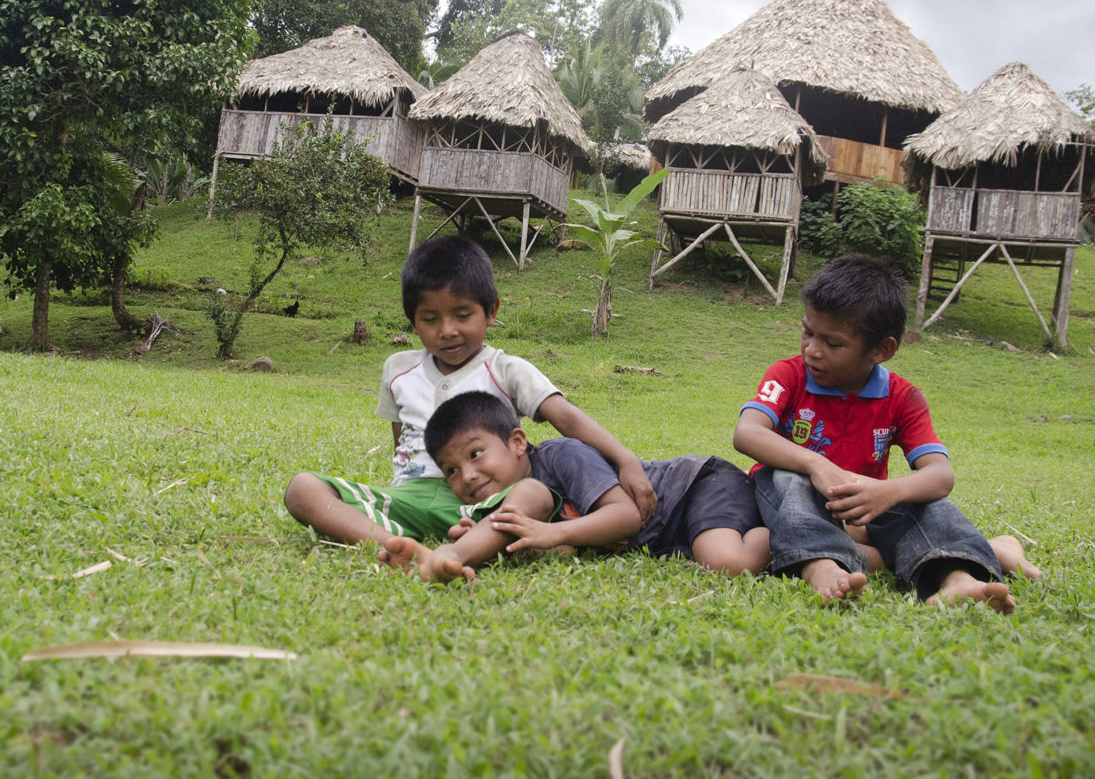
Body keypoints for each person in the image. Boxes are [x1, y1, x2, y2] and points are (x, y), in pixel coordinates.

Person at [284, 235, 656, 550]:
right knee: (303, 489)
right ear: (412, 320)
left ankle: (466, 545)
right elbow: (403, 443)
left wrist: (626, 461)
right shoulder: (397, 369)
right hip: (407, 498)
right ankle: (399, 545)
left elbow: (566, 417)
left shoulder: (506, 369)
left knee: (534, 495)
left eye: (462, 315)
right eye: (430, 319)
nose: (447, 331)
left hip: (487, 504)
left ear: (490, 311)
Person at [732, 253, 1034, 612]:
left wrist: (889, 491)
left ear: (882, 349)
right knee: (788, 479)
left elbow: (940, 474)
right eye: (808, 332)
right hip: (790, 501)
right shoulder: (789, 375)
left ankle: (959, 577)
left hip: (863, 509)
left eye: (833, 343)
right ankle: (822, 565)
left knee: (929, 506)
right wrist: (814, 465)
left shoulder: (902, 397)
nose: (812, 350)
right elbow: (747, 432)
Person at [382, 390, 769, 583]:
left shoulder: (563, 455)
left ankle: (775, 529)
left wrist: (551, 533)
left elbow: (627, 515)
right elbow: (568, 541)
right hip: (666, 538)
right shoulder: (518, 495)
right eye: (450, 471)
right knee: (701, 558)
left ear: (518, 442)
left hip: (697, 488)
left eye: (476, 454)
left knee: (724, 564)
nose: (465, 476)